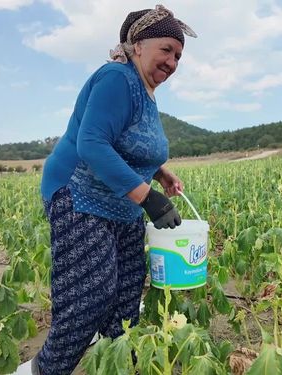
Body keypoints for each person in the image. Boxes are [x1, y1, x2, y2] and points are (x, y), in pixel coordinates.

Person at [33, 5, 196, 374]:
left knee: (126, 295)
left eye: (178, 56)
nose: (172, 61)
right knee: (90, 295)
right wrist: (149, 198)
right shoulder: (117, 78)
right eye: (166, 49)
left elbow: (131, 145)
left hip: (120, 205)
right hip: (79, 196)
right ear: (137, 45)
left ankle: (116, 361)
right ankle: (44, 369)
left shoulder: (146, 91)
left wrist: (160, 174)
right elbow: (92, 143)